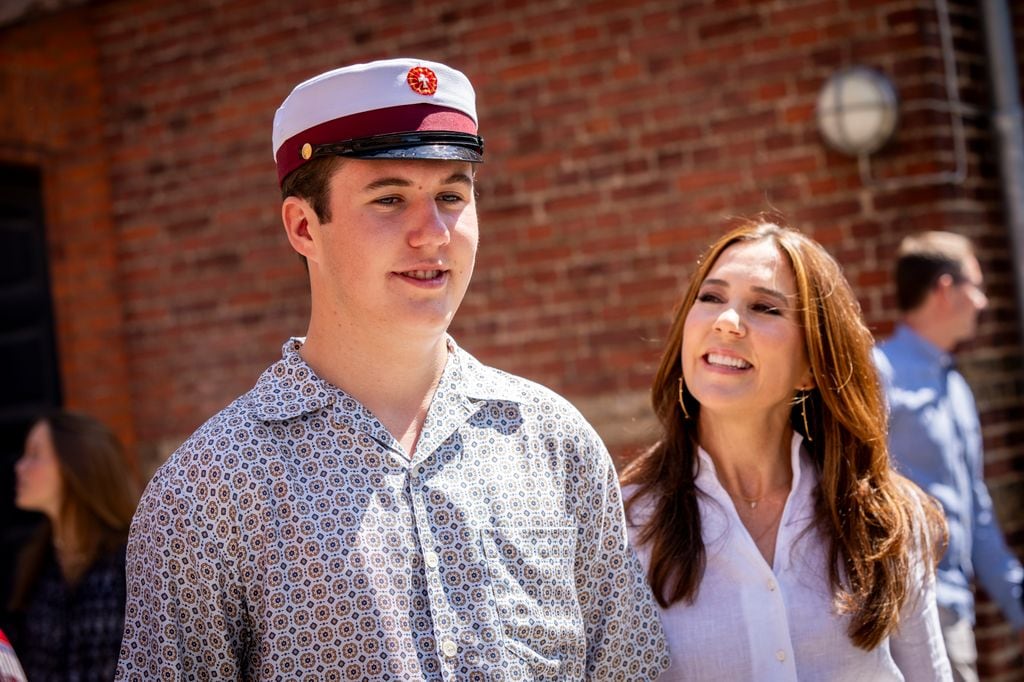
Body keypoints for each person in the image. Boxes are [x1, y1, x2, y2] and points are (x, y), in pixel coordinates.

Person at [116, 57, 669, 680]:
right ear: (303, 226)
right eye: (389, 198)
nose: (431, 233)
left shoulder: (555, 443)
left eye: (452, 196)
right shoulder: (207, 491)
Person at [622, 220, 952, 680]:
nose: (727, 321)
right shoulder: (624, 527)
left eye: (764, 307)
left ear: (812, 369)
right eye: (712, 297)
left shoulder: (886, 520)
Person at [874, 231, 1024, 681]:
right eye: (974, 286)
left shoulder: (955, 387)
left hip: (955, 607)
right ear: (945, 288)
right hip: (904, 608)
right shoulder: (878, 373)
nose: (981, 301)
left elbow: (975, 509)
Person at [7, 411, 139, 682]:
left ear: (76, 465)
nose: (19, 466)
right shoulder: (36, 565)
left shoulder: (134, 561)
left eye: (34, 454)